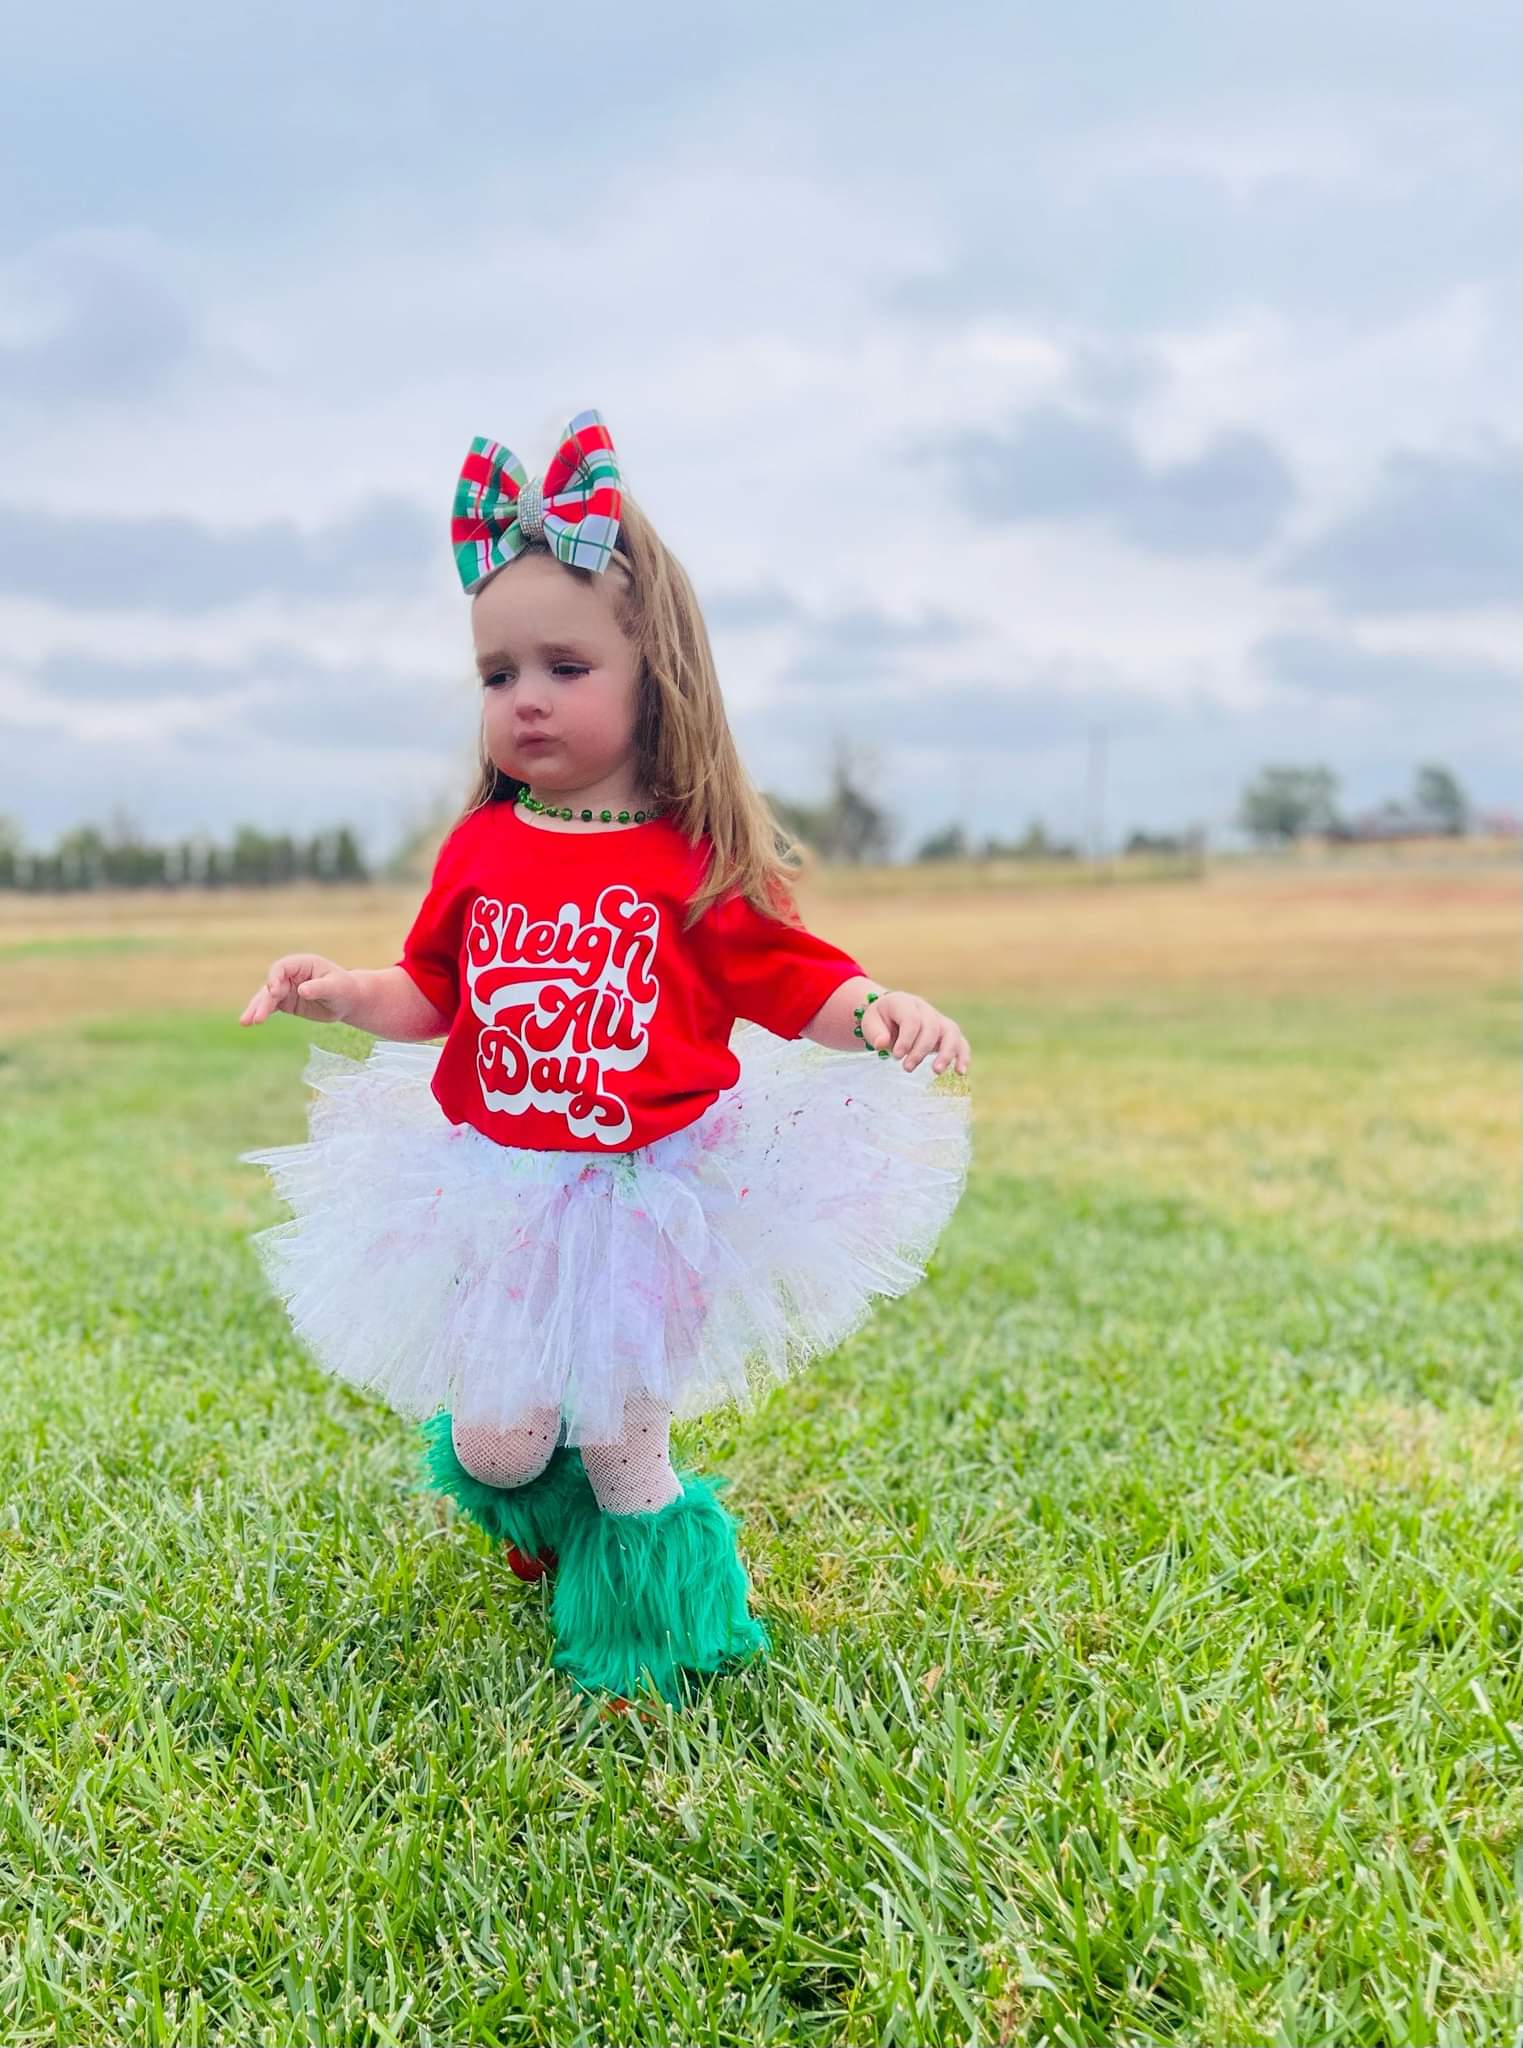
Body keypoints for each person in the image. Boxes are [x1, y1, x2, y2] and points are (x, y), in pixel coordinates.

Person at [237, 408, 972, 1715]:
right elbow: (434, 992)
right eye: (496, 673)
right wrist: (343, 991)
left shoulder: (688, 858)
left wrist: (877, 1012)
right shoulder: (484, 849)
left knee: (626, 1440)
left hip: (645, 1199)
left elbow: (790, 978)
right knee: (499, 1439)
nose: (524, 697)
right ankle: (550, 1516)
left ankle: (654, 1632)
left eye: (564, 665)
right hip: (504, 1191)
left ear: (654, 675)